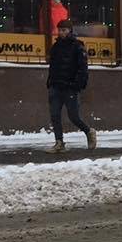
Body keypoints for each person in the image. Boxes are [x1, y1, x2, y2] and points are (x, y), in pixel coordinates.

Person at [46, 22, 95, 152]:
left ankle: (89, 131)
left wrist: (77, 85)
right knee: (55, 114)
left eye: (64, 30)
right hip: (56, 86)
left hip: (70, 87)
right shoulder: (56, 47)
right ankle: (59, 142)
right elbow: (53, 67)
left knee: (74, 116)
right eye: (60, 30)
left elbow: (83, 68)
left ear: (70, 30)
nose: (62, 32)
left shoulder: (77, 47)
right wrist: (50, 82)